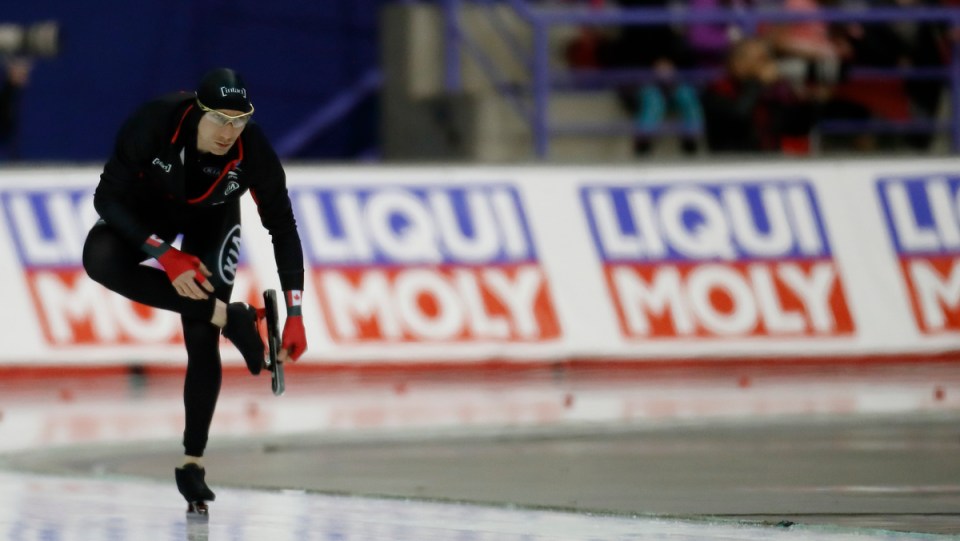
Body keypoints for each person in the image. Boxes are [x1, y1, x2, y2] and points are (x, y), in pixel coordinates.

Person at [82, 67, 308, 512]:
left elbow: (283, 226)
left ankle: (192, 464)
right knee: (100, 260)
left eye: (239, 120)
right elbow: (106, 199)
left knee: (200, 335)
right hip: (150, 215)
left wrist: (297, 312)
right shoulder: (154, 124)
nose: (229, 131)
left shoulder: (252, 150)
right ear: (197, 111)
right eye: (220, 119)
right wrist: (165, 254)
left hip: (213, 218)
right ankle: (231, 316)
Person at [701, 37, 817, 153]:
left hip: (769, 161)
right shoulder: (716, 90)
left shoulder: (773, 91)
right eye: (760, 59)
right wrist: (757, 84)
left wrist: (805, 101)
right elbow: (738, 116)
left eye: (767, 59)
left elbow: (796, 129)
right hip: (731, 162)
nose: (766, 65)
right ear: (737, 63)